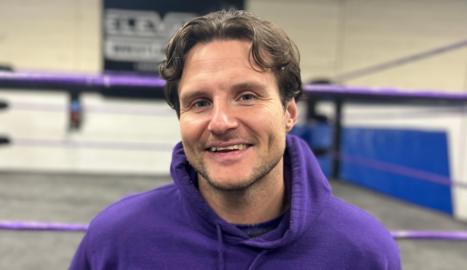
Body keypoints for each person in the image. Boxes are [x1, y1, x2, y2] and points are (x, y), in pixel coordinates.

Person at [70, 9, 401, 270]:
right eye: (199, 102)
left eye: (246, 96)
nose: (221, 122)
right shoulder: (117, 239)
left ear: (289, 113)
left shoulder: (363, 250)